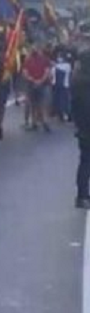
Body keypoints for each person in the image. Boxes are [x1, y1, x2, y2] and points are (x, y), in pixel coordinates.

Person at [70, 51, 90, 208]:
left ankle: (82, 194)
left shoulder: (76, 81)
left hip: (82, 127)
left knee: (85, 162)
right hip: (87, 126)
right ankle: (82, 195)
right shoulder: (86, 83)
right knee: (86, 162)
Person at [23, 46, 52, 132]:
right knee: (40, 104)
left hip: (34, 85)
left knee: (35, 104)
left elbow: (25, 73)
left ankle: (36, 122)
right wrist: (39, 81)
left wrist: (34, 80)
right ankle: (41, 122)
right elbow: (47, 72)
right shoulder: (44, 60)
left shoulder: (28, 60)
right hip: (40, 84)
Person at [54, 53, 73, 122]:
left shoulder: (59, 66)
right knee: (65, 101)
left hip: (60, 85)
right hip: (65, 85)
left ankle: (62, 114)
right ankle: (66, 114)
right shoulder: (68, 66)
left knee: (61, 100)